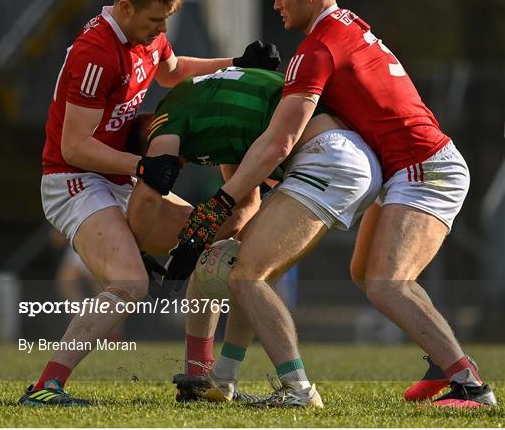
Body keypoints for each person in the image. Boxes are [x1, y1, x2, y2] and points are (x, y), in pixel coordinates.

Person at [170, 0, 496, 408]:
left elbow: (280, 141)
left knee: (385, 283)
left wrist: (215, 207)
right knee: (366, 274)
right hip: (404, 169)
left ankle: (470, 385)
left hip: (424, 169)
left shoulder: (317, 48)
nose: (275, 4)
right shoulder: (348, 25)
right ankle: (445, 362)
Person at [19, 0, 280, 407]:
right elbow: (73, 147)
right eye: (155, 20)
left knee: (211, 238)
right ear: (124, 7)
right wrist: (141, 167)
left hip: (119, 176)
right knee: (130, 284)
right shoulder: (95, 53)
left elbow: (171, 69)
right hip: (74, 181)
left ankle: (198, 379)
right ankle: (46, 387)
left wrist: (234, 62)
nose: (161, 31)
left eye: (166, 22)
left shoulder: (146, 36)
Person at [129, 66, 381, 408]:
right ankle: (215, 379)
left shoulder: (167, 123)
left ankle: (299, 390)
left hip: (326, 159)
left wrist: (138, 252)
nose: (180, 169)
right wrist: (194, 244)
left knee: (247, 275)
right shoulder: (206, 108)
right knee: (234, 264)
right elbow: (244, 206)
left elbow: (149, 192)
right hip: (339, 156)